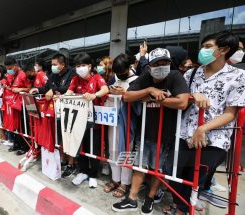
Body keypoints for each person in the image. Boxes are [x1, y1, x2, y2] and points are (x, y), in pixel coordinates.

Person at [164, 31, 244, 215]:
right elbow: (180, 97)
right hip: (184, 133)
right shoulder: (192, 73)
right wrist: (193, 97)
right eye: (203, 46)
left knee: (196, 177)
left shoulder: (237, 76)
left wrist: (203, 128)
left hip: (213, 139)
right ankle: (181, 205)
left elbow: (231, 113)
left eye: (208, 47)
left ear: (223, 50)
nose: (202, 50)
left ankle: (182, 209)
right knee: (173, 172)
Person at [112, 48, 190, 215]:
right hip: (145, 130)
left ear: (170, 64)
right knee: (140, 165)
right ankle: (131, 198)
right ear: (149, 67)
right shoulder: (146, 77)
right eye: (157, 64)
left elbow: (182, 102)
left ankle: (149, 199)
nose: (161, 67)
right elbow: (127, 96)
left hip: (167, 133)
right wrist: (149, 90)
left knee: (157, 169)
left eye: (165, 63)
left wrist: (157, 100)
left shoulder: (175, 76)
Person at [65, 52, 109, 188]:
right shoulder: (75, 79)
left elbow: (105, 89)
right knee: (81, 146)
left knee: (95, 148)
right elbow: (69, 93)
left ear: (89, 66)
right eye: (77, 66)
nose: (80, 68)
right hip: (78, 121)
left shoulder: (97, 77)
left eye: (83, 65)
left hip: (94, 122)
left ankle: (94, 174)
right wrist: (61, 98)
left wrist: (94, 95)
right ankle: (83, 171)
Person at [29, 53, 77, 178]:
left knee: (69, 137)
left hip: (70, 110)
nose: (53, 67)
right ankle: (63, 159)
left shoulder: (72, 73)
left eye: (55, 64)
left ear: (63, 64)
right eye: (52, 64)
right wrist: (38, 90)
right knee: (60, 136)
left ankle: (71, 164)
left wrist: (55, 90)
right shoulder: (53, 75)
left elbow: (68, 88)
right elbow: (46, 87)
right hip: (57, 111)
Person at [103, 53, 138, 198]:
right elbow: (106, 89)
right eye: (116, 72)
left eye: (121, 72)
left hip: (127, 121)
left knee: (126, 152)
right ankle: (115, 179)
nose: (118, 75)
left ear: (129, 67)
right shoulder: (114, 78)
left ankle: (125, 183)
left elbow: (137, 99)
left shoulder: (137, 79)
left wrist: (125, 93)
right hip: (112, 120)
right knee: (112, 150)